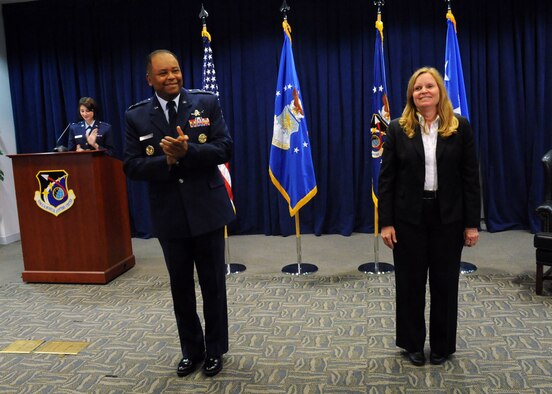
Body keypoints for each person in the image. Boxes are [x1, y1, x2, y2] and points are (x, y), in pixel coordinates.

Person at [123, 49, 235, 377]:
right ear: (149, 79)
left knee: (213, 285)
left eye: (175, 71)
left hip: (208, 210)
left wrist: (189, 151)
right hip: (170, 215)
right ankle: (192, 350)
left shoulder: (206, 103)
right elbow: (131, 165)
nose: (171, 77)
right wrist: (167, 161)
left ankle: (215, 350)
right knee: (181, 288)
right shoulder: (137, 116)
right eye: (163, 73)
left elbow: (225, 148)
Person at [378, 66, 480, 366]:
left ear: (439, 92)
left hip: (449, 218)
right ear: (411, 94)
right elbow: (387, 180)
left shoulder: (460, 127)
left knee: (445, 282)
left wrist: (472, 224)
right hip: (408, 218)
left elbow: (470, 178)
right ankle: (411, 343)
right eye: (417, 87)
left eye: (429, 86)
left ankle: (442, 345)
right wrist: (386, 222)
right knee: (410, 283)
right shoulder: (398, 128)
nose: (423, 91)